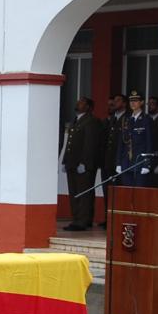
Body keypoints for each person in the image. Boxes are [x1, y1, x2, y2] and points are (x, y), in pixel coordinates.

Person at [62, 97, 99, 231]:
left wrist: (84, 162)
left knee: (84, 193)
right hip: (72, 163)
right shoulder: (76, 120)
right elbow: (70, 143)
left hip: (83, 164)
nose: (78, 104)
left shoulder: (91, 121)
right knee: (74, 192)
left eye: (82, 102)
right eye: (78, 102)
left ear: (88, 107)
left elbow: (90, 145)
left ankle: (83, 220)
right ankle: (76, 218)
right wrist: (65, 160)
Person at [98, 94, 126, 227]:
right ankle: (109, 218)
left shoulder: (127, 119)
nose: (114, 103)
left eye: (118, 100)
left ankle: (118, 219)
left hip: (119, 162)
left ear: (125, 103)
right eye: (113, 101)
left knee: (120, 192)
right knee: (107, 191)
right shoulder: (111, 120)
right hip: (107, 162)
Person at [116, 91, 153, 187]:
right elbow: (121, 143)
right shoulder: (126, 119)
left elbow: (150, 142)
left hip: (140, 162)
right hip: (126, 162)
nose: (132, 103)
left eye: (136, 100)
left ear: (141, 102)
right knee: (127, 193)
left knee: (138, 194)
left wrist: (147, 163)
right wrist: (118, 163)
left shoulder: (146, 119)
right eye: (131, 101)